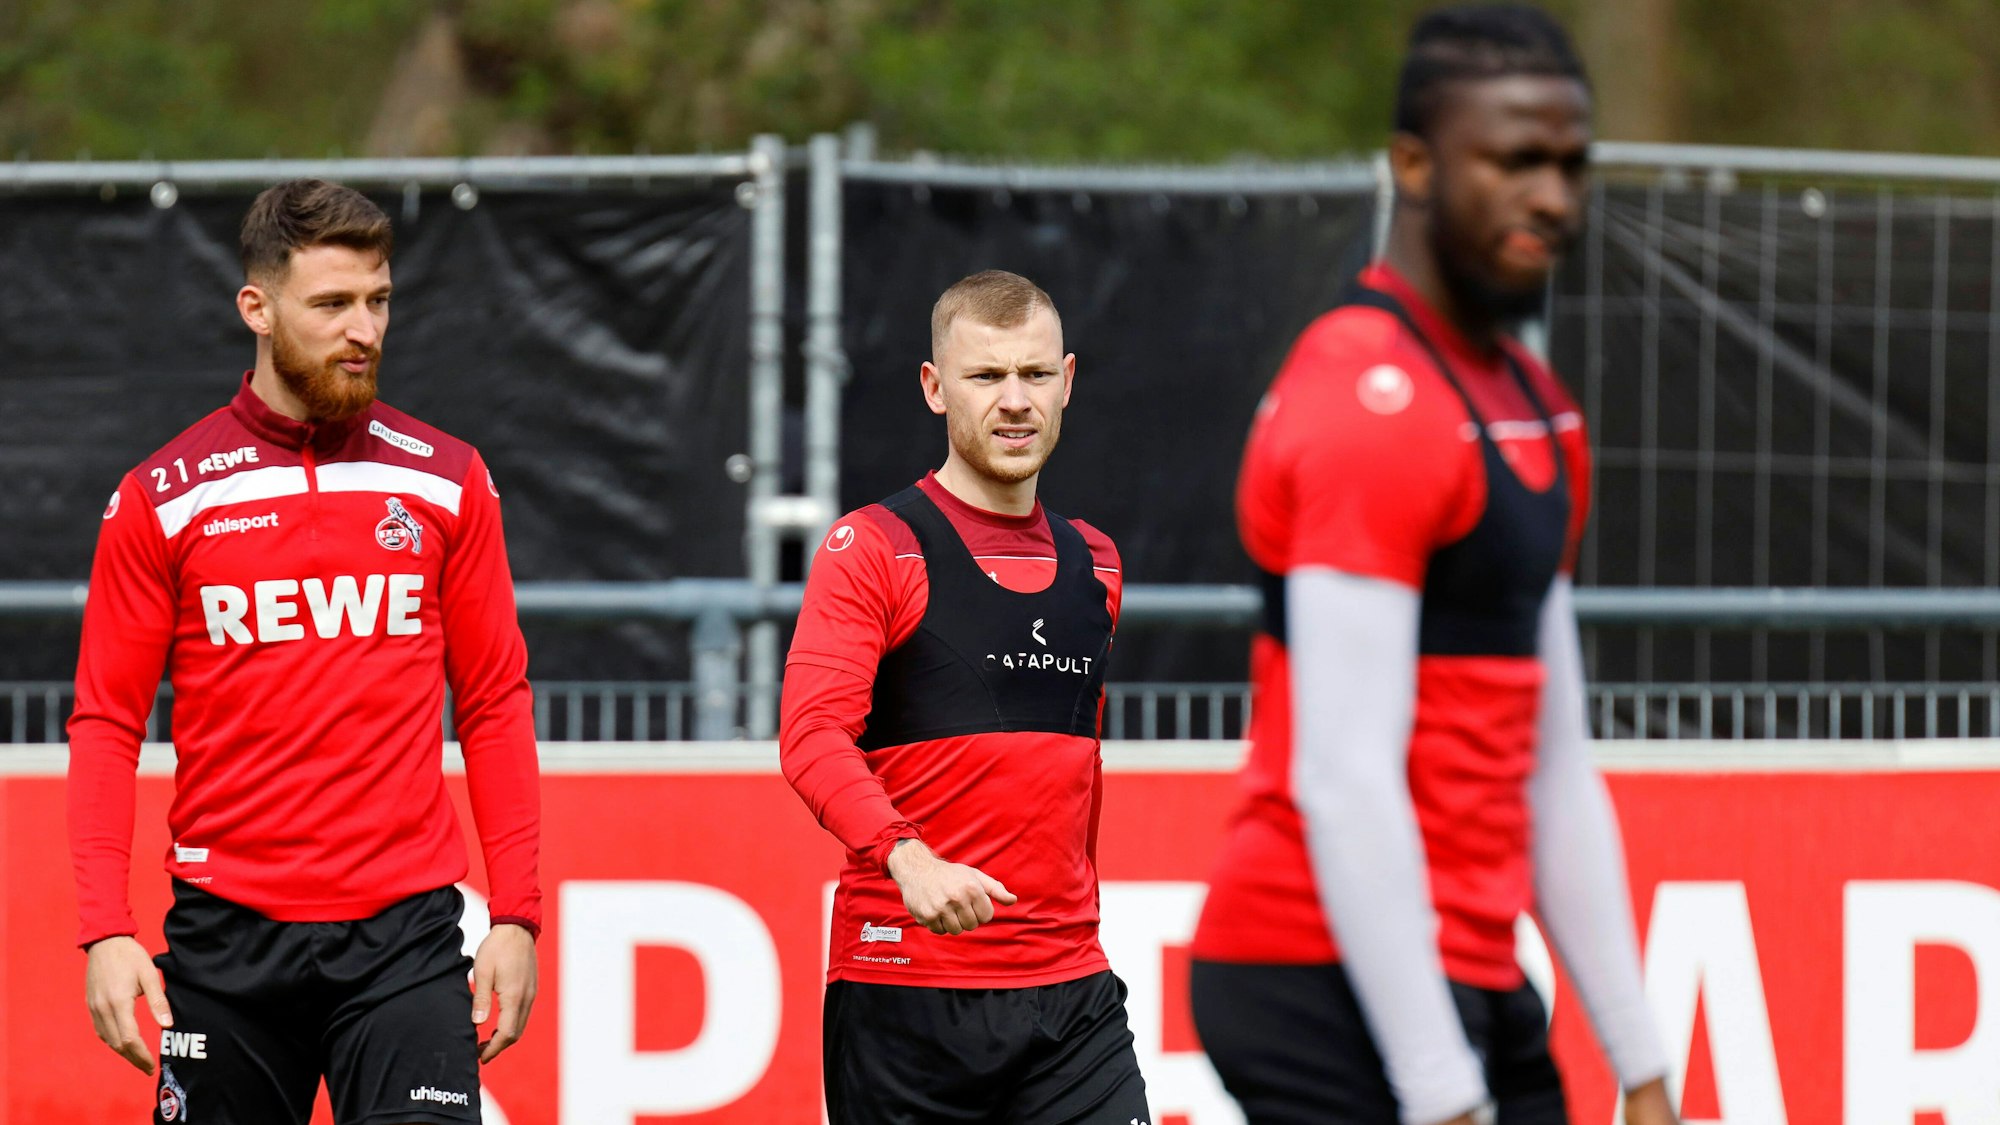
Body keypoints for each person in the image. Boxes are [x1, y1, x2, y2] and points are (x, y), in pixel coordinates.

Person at [1189, 8, 1678, 1125]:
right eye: (1512, 161)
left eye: (1568, 164)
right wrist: (1443, 1093)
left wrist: (1641, 1069)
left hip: (1471, 966)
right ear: (1410, 163)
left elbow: (1552, 764)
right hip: (1309, 973)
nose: (1551, 198)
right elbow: (1342, 776)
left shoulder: (1537, 409)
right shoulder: (1367, 401)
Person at [69, 179, 540, 1125]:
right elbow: (105, 722)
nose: (361, 328)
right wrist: (103, 932)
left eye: (378, 300)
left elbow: (494, 700)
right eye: (330, 305)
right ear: (257, 306)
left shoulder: (449, 479)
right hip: (224, 944)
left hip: (407, 938)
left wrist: (520, 914)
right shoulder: (162, 496)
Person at [781, 269, 1151, 1124]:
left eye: (1032, 374)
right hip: (909, 992)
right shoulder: (873, 547)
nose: (1014, 400)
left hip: (1071, 994)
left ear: (1067, 381)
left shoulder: (1097, 561)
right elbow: (810, 736)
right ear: (934, 387)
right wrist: (908, 860)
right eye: (986, 377)